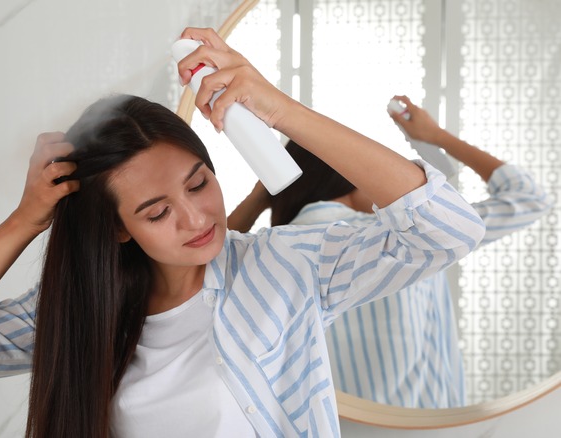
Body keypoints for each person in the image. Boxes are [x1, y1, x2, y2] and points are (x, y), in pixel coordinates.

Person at [0, 28, 486, 437]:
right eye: (155, 211)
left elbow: (449, 230)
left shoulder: (283, 268)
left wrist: (278, 108)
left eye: (199, 184)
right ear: (116, 229)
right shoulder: (78, 310)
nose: (197, 218)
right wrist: (28, 217)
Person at [228, 95, 552, 408]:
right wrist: (435, 136)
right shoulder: (421, 229)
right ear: (351, 172)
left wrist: (264, 192)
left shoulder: (274, 250)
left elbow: (210, 267)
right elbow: (528, 199)